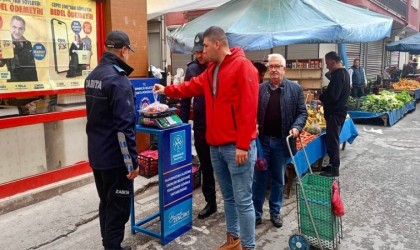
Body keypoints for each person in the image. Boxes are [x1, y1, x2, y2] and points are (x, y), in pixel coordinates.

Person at [154, 26, 259, 250]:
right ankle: (234, 241)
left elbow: (250, 109)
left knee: (243, 201)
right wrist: (166, 90)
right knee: (228, 199)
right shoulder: (212, 70)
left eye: (206, 46)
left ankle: (249, 246)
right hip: (216, 146)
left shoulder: (243, 67)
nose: (203, 51)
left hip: (236, 148)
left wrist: (243, 144)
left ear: (217, 44)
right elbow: (190, 87)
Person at [85, 30, 139, 250]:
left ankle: (109, 245)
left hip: (97, 156)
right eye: (128, 52)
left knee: (106, 203)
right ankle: (113, 247)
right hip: (116, 160)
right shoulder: (119, 80)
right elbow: (123, 128)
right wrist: (131, 163)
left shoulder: (92, 77)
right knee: (118, 208)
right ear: (123, 50)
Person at [252, 53, 307, 228]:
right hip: (263, 143)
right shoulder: (260, 89)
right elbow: (252, 112)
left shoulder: (295, 89)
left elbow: (302, 112)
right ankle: (256, 213)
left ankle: (275, 212)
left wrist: (297, 127)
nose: (274, 69)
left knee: (278, 179)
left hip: (282, 142)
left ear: (284, 69)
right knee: (259, 179)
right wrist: (254, 124)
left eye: (277, 66)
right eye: (271, 66)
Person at [179, 32, 217, 220]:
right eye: (196, 52)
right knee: (206, 165)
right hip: (202, 125)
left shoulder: (218, 66)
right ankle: (211, 202)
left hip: (220, 125)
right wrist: (183, 125)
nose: (199, 55)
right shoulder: (192, 69)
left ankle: (232, 202)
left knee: (224, 166)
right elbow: (185, 100)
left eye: (202, 51)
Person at [319, 51, 350, 177]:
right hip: (339, 111)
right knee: (333, 139)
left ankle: (334, 168)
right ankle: (332, 164)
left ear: (333, 62)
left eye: (327, 64)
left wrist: (321, 97)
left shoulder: (338, 75)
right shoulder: (344, 73)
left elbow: (333, 95)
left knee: (333, 140)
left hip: (335, 113)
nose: (327, 67)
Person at [0, 15, 38, 82]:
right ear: (10, 27)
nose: (17, 31)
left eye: (20, 28)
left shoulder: (28, 43)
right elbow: (1, 63)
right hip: (15, 85)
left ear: (24, 30)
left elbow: (33, 66)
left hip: (31, 82)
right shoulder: (6, 42)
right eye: (14, 27)